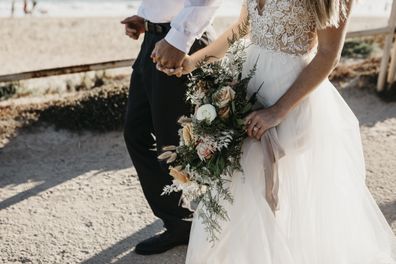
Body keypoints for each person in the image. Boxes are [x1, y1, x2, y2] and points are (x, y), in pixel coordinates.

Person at [160, 0, 396, 263]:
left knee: (262, 183)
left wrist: (278, 110)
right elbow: (243, 26)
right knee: (239, 185)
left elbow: (330, 53)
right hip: (248, 84)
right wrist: (194, 61)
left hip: (290, 94)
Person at [121, 0, 221, 256]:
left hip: (181, 42)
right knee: (136, 133)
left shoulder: (179, 38)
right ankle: (180, 220)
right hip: (154, 40)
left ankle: (197, 222)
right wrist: (146, 17)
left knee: (174, 144)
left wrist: (178, 39)